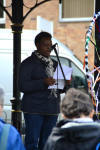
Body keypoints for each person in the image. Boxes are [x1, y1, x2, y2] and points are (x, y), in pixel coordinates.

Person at [18, 31, 66, 150]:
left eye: (50, 45)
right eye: (45, 45)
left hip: (52, 109)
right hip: (34, 109)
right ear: (37, 45)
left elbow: (58, 88)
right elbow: (22, 86)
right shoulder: (28, 63)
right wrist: (43, 82)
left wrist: (65, 84)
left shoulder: (55, 64)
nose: (49, 48)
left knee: (47, 144)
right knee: (32, 143)